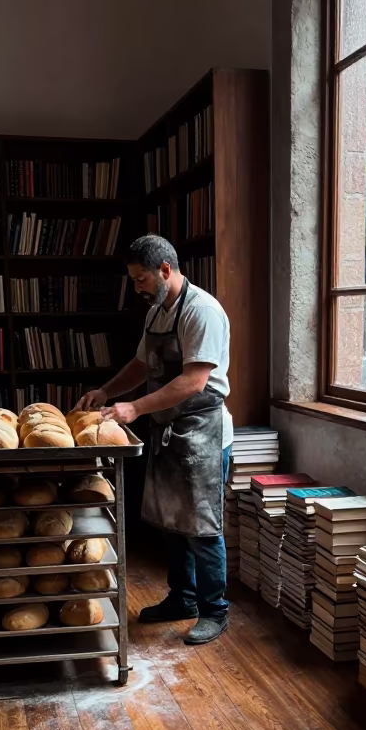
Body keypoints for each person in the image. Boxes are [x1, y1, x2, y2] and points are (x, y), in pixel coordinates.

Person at [77, 234, 232, 644]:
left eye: (141, 278)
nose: (137, 287)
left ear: (166, 270)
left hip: (204, 431)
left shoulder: (202, 311)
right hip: (170, 430)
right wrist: (109, 391)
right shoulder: (156, 314)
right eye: (133, 279)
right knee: (172, 523)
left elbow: (194, 380)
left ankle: (215, 610)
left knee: (202, 528)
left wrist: (137, 409)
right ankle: (183, 599)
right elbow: (142, 364)